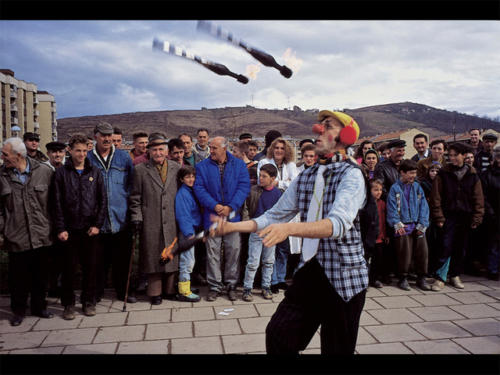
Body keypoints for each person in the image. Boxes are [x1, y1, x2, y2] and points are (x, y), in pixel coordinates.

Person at [210, 110, 367, 354]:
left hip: (344, 276)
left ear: (345, 136)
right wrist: (232, 226)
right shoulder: (307, 175)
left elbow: (336, 225)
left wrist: (289, 229)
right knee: (279, 335)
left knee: (337, 350)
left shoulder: (352, 175)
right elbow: (274, 215)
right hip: (311, 270)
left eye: (327, 125)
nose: (318, 129)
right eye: (319, 125)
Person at [53, 134, 107, 319]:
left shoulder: (95, 172)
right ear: (70, 150)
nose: (82, 154)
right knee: (68, 269)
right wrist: (60, 228)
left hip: (89, 229)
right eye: (78, 150)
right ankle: (68, 304)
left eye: (85, 151)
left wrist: (97, 225)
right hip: (69, 229)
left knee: (90, 268)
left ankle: (88, 302)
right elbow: (56, 203)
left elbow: (102, 201)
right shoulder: (61, 173)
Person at [1, 137, 54, 326]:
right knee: (18, 278)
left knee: (41, 275)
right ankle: (18, 311)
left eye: (5, 154)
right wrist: (4, 228)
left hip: (42, 234)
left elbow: (54, 203)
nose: (2, 157)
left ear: (18, 155)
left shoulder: (44, 171)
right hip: (16, 236)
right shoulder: (2, 176)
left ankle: (40, 307)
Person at [193, 136, 250, 301]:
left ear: (224, 148)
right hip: (212, 216)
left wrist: (231, 206)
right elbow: (199, 188)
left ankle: (231, 284)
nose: (211, 151)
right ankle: (214, 286)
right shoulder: (202, 166)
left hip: (232, 217)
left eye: (214, 148)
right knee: (213, 252)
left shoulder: (239, 165)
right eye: (210, 148)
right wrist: (215, 205)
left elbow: (244, 186)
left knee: (234, 251)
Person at [87, 122, 136, 304]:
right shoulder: (88, 159)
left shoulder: (123, 157)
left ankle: (123, 291)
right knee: (97, 262)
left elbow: (132, 185)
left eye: (109, 135)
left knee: (122, 261)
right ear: (95, 136)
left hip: (121, 218)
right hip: (97, 221)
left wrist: (131, 211)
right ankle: (96, 293)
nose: (107, 139)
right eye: (103, 135)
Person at [129, 133, 181, 304]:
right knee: (153, 257)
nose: (158, 153)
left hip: (172, 218)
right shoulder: (140, 170)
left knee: (171, 254)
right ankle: (155, 293)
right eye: (154, 150)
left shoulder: (176, 168)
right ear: (149, 151)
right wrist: (137, 217)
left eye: (161, 149)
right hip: (150, 219)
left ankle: (170, 290)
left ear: (166, 151)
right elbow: (135, 197)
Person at [430, 142, 484, 291]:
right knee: (445, 245)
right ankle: (440, 277)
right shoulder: (443, 173)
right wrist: (439, 217)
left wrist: (477, 217)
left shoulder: (472, 174)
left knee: (461, 247)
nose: (452, 158)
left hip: (465, 215)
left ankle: (455, 275)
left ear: (464, 156)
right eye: (450, 155)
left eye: (455, 155)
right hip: (448, 216)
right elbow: (436, 197)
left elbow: (478, 198)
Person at [257, 137, 300, 293]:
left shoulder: (291, 165)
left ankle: (280, 278)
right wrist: (284, 182)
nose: (279, 151)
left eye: (282, 148)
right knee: (271, 246)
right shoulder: (264, 163)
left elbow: (295, 184)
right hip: (271, 206)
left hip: (288, 210)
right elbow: (263, 182)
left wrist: (279, 183)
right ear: (272, 149)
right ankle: (271, 281)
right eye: (276, 148)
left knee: (283, 247)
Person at [386, 159, 431, 291]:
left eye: (414, 173)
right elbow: (392, 209)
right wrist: (397, 224)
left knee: (423, 251)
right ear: (402, 172)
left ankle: (421, 277)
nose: (413, 176)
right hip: (403, 225)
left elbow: (424, 207)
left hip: (417, 224)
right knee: (404, 252)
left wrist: (422, 223)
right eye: (410, 173)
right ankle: (403, 277)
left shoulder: (417, 187)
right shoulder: (395, 189)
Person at [241, 163, 282, 302]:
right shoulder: (253, 190)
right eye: (260, 175)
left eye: (264, 176)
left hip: (271, 231)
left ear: (273, 178)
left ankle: (266, 286)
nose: (261, 179)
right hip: (257, 230)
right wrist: (248, 224)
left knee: (269, 261)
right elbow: (246, 207)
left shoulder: (278, 193)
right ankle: (247, 288)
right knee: (253, 261)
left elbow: (282, 213)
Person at [175, 165, 202, 302]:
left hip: (192, 231)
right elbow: (183, 216)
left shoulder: (190, 191)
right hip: (188, 233)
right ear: (181, 179)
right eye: (187, 177)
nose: (191, 179)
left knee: (190, 259)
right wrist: (189, 233)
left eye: (193, 176)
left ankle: (186, 285)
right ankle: (184, 291)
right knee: (187, 261)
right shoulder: (183, 194)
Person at [44, 141, 67, 298]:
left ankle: (61, 286)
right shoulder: (43, 170)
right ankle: (50, 286)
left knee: (64, 256)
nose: (57, 155)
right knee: (48, 257)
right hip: (47, 219)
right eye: (54, 152)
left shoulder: (67, 170)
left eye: (60, 152)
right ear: (48, 154)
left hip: (66, 219)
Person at [480, 145, 500, 280]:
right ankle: (492, 269)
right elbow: (484, 196)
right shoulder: (487, 175)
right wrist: (491, 213)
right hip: (494, 214)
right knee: (494, 243)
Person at [368, 179, 388, 288]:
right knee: (368, 260)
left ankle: (374, 279)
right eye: (376, 190)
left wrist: (385, 235)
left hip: (380, 237)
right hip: (369, 238)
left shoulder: (382, 204)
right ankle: (366, 280)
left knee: (377, 260)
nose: (379, 192)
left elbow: (384, 221)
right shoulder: (366, 204)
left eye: (380, 190)